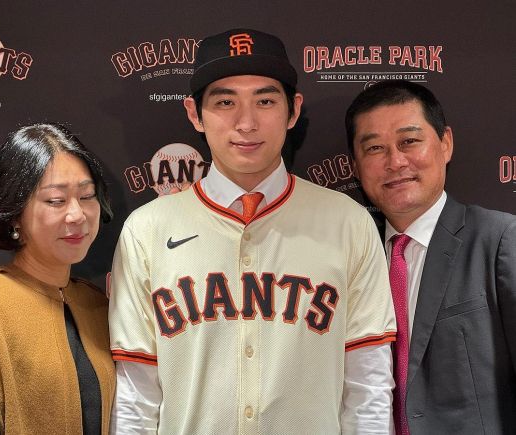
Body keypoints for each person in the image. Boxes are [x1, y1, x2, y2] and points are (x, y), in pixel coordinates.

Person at [109, 28, 396, 434]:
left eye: (265, 101)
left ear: (293, 110)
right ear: (194, 113)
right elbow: (136, 395)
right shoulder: (147, 230)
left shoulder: (348, 222)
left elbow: (367, 386)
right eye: (225, 102)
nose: (246, 123)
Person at [346, 79, 516, 434]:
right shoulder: (351, 255)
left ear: (445, 143)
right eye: (374, 148)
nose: (395, 162)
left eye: (409, 141)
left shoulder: (499, 240)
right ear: (356, 167)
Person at [0, 123, 116, 434]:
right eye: (56, 200)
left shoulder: (97, 305)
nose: (77, 214)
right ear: (16, 213)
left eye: (87, 196)